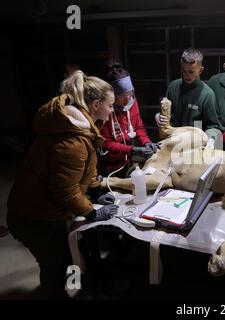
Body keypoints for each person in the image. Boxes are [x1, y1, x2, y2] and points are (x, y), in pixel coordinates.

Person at [7, 71, 119, 299]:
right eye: (111, 105)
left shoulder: (80, 128)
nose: (112, 110)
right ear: (96, 104)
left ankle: (75, 291)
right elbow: (64, 190)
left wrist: (96, 191)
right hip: (34, 217)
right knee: (56, 268)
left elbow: (84, 171)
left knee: (71, 258)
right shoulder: (72, 140)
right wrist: (91, 213)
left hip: (48, 211)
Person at [99, 61, 159, 177]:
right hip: (110, 165)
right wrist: (132, 150)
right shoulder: (105, 110)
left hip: (129, 160)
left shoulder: (131, 102)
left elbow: (138, 127)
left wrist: (146, 142)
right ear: (112, 96)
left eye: (130, 94)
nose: (127, 101)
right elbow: (106, 143)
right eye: (122, 97)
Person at [155, 48, 221, 133]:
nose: (186, 75)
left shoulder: (207, 94)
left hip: (196, 141)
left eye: (191, 71)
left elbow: (213, 125)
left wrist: (210, 138)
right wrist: (159, 116)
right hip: (174, 137)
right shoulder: (173, 87)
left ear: (200, 70)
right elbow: (168, 115)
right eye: (183, 71)